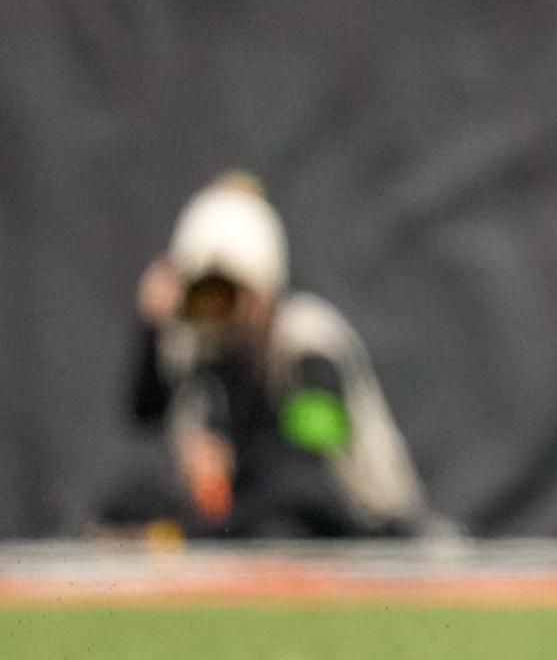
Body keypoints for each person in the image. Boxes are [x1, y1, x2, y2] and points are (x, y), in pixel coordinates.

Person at [99, 171, 440, 539]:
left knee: (280, 514)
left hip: (355, 522)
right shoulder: (204, 347)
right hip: (248, 511)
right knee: (126, 506)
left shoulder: (309, 343)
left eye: (230, 292)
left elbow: (312, 466)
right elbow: (145, 411)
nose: (220, 312)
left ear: (263, 287)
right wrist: (152, 332)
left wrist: (212, 496)